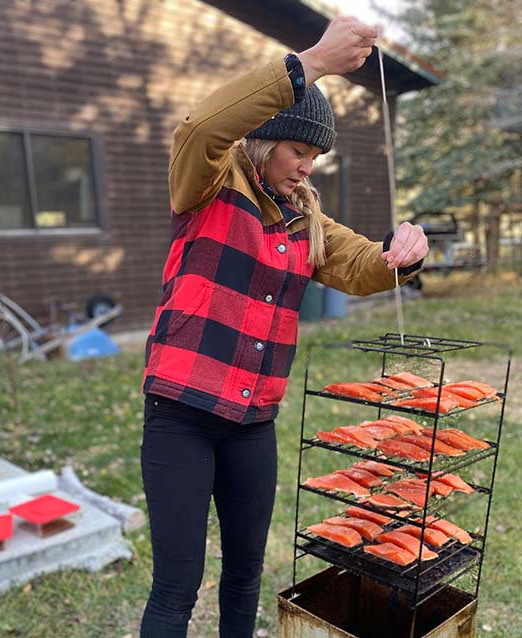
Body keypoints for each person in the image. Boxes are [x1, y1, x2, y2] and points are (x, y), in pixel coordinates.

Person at [139, 15, 428, 638]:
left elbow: (360, 264)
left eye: (316, 157)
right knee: (176, 585)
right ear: (264, 141)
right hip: (182, 415)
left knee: (245, 575)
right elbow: (202, 126)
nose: (307, 168)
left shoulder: (303, 220)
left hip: (253, 425)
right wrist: (313, 63)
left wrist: (404, 251)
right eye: (300, 151)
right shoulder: (206, 185)